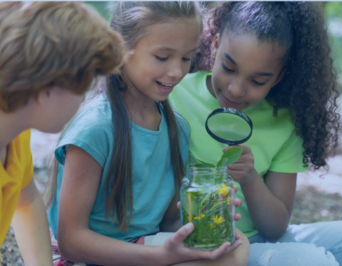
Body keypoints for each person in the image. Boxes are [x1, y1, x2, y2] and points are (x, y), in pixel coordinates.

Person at [45, 2, 250, 266]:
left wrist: (206, 217)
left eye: (186, 58)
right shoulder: (95, 128)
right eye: (163, 57)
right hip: (87, 257)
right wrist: (160, 257)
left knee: (233, 243)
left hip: (143, 246)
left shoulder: (176, 128)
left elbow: (167, 221)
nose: (177, 71)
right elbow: (71, 241)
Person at [169, 2, 342, 266]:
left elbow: (275, 228)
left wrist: (249, 178)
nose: (236, 89)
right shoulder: (175, 96)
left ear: (279, 77)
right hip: (214, 250)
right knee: (316, 262)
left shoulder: (284, 122)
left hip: (264, 240)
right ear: (215, 45)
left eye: (257, 81)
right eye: (229, 67)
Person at [0, 2, 123, 265]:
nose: (84, 99)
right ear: (46, 88)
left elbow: (26, 199)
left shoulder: (13, 135)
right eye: (84, 85)